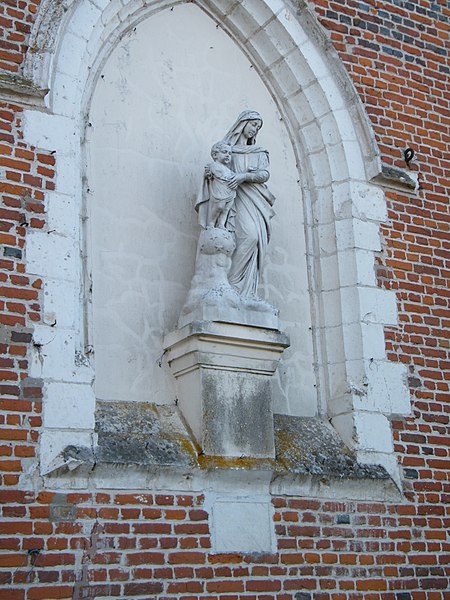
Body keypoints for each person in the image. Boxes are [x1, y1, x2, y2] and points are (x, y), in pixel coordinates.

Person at [222, 110, 275, 298]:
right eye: (253, 124)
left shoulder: (259, 152)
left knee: (253, 237)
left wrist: (243, 176)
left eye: (258, 127)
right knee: (240, 238)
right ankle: (229, 283)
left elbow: (264, 174)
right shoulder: (227, 149)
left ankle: (243, 289)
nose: (255, 129)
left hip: (255, 200)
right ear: (243, 123)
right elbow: (220, 169)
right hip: (235, 200)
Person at [205, 141, 236, 229]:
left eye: (229, 153)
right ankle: (211, 223)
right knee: (219, 206)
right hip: (219, 192)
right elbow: (217, 175)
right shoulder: (214, 165)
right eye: (224, 152)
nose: (227, 155)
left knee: (226, 209)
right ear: (215, 155)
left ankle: (221, 224)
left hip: (230, 192)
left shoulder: (228, 170)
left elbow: (232, 177)